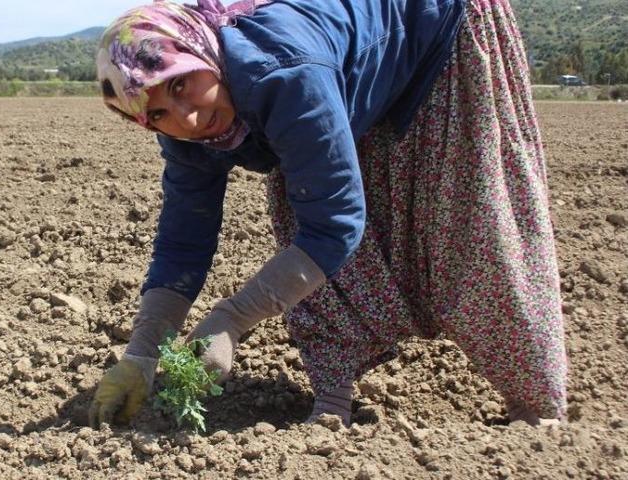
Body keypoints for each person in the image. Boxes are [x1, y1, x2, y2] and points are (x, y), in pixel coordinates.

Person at [88, 0, 568, 429]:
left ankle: (536, 408)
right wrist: (141, 353)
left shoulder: (284, 73)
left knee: (467, 223)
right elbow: (183, 240)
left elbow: (335, 225)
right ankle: (333, 401)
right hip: (339, 67)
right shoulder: (188, 135)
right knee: (302, 221)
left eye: (181, 84)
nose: (187, 118)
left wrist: (231, 319)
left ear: (200, 52)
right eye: (157, 113)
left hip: (438, 27)